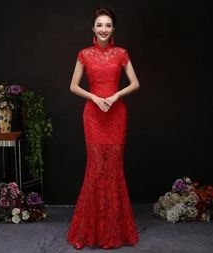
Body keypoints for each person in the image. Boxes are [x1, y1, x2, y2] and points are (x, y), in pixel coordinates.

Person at [66, 6, 140, 250]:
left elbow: (135, 83)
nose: (103, 29)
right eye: (99, 25)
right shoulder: (84, 54)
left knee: (114, 169)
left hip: (116, 115)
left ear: (113, 28)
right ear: (93, 28)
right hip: (93, 116)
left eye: (108, 25)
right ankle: (90, 231)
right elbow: (73, 86)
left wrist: (116, 96)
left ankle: (114, 232)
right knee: (96, 168)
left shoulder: (121, 53)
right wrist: (94, 97)